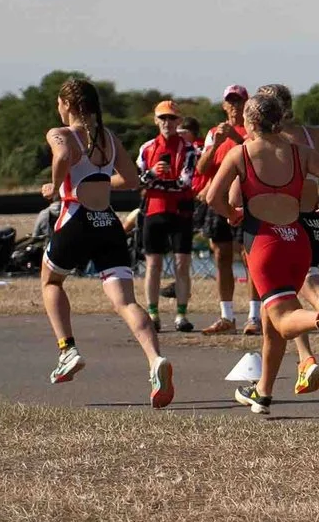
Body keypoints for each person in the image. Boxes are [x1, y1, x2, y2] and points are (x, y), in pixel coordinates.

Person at [200, 85, 319, 416]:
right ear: (280, 120)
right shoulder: (300, 152)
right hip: (298, 242)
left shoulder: (242, 153)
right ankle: (263, 392)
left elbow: (212, 197)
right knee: (270, 325)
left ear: (250, 123)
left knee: (281, 320)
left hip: (265, 244)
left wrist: (231, 214)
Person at [38, 77, 174, 408]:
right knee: (125, 301)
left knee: (51, 281)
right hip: (108, 223)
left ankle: (67, 349)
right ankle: (155, 360)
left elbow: (60, 157)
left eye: (59, 103)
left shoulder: (63, 133)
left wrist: (55, 187)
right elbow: (129, 179)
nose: (58, 109)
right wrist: (99, 180)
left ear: (68, 104)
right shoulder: (109, 138)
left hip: (77, 219)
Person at [189, 85, 252, 333]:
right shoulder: (214, 132)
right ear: (224, 105)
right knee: (221, 255)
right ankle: (227, 316)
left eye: (239, 100)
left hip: (245, 200)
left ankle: (254, 316)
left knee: (249, 257)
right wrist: (215, 144)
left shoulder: (252, 131)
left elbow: (253, 155)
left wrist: (236, 138)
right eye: (231, 101)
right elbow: (202, 169)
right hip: (220, 202)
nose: (235, 105)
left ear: (247, 104)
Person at [135, 101, 201, 335]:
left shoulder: (189, 149)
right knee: (153, 263)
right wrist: (153, 175)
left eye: (172, 119)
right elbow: (137, 180)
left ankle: (181, 314)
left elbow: (185, 181)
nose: (167, 123)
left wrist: (153, 181)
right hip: (154, 210)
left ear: (178, 122)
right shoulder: (147, 148)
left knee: (182, 263)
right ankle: (153, 313)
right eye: (162, 118)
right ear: (156, 120)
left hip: (181, 211)